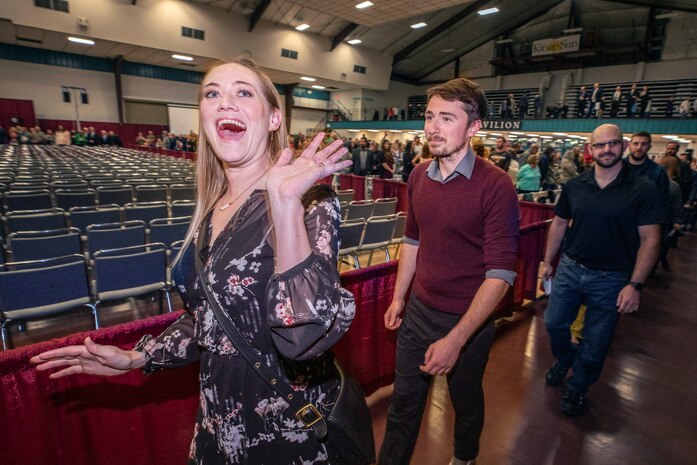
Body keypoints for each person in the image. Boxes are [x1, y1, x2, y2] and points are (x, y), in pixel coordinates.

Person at [30, 57, 360, 465]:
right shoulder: (212, 209)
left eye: (243, 92)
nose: (225, 103)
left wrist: (285, 203)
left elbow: (304, 339)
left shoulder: (311, 203)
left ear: (274, 118)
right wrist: (139, 357)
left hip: (285, 434)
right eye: (212, 93)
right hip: (217, 426)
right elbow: (208, 317)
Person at [379, 77, 519, 465]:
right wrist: (398, 297)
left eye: (446, 118)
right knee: (403, 406)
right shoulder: (419, 175)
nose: (432, 128)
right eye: (429, 116)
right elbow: (412, 240)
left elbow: (501, 274)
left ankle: (465, 457)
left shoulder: (496, 185)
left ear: (473, 127)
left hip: (469, 323)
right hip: (419, 312)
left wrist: (457, 340)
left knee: (466, 400)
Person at [541, 124, 662, 416]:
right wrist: (547, 260)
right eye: (600, 145)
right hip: (571, 268)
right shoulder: (575, 186)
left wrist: (635, 284)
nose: (606, 150)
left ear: (622, 146)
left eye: (613, 144)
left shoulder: (643, 189)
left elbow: (651, 238)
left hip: (612, 277)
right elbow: (559, 224)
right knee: (554, 323)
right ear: (590, 149)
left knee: (596, 342)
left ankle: (578, 387)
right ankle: (565, 359)